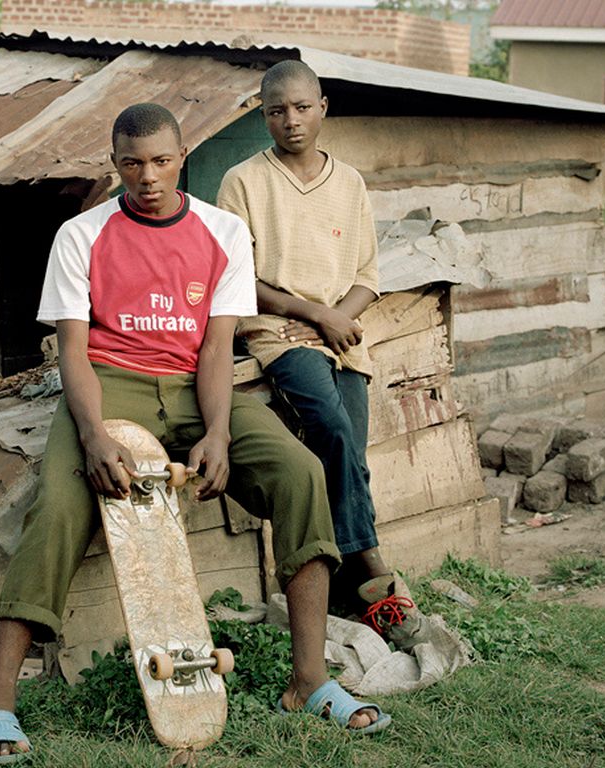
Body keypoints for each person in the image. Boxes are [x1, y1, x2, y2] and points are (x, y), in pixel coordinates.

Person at [0, 102, 391, 764]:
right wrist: (92, 434)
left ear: (181, 159)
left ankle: (309, 680)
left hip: (196, 385)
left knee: (301, 472)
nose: (148, 177)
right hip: (112, 384)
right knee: (57, 508)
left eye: (162, 161)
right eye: (132, 164)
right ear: (115, 165)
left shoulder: (222, 232)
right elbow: (74, 352)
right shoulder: (81, 235)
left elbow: (217, 347)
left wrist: (219, 432)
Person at [217, 60, 429, 650]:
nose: (291, 120)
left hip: (341, 336)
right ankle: (373, 569)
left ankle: (338, 586)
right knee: (331, 427)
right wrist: (315, 313)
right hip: (279, 331)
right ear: (263, 117)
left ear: (323, 108)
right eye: (276, 111)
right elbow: (236, 279)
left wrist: (338, 316)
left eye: (302, 107)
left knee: (349, 450)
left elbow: (367, 276)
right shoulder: (242, 182)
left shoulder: (350, 183)